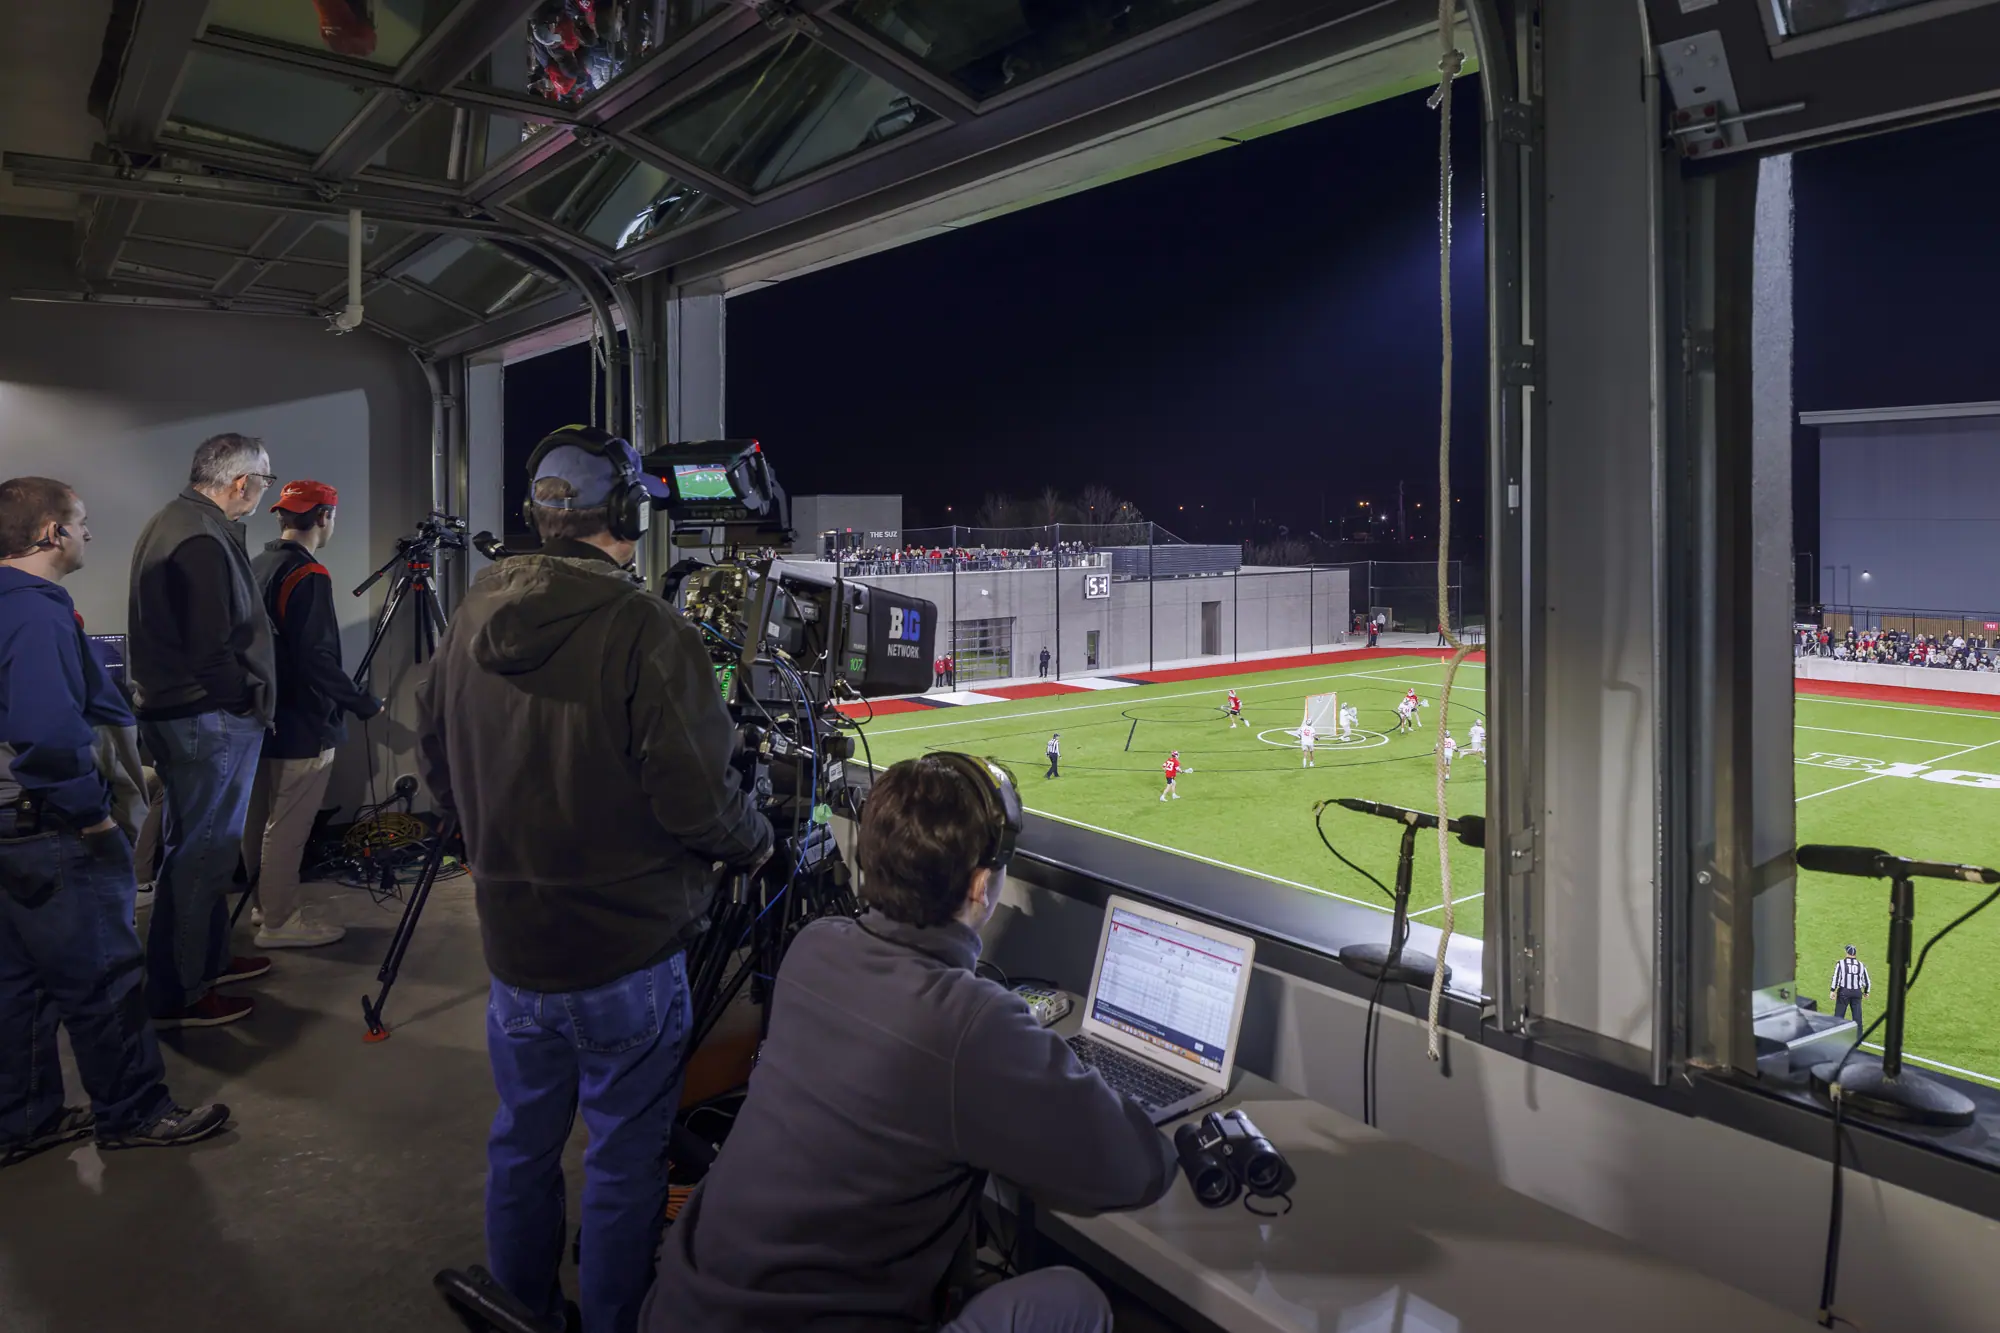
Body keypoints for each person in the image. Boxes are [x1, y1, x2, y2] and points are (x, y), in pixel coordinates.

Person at [418, 426, 773, 1333]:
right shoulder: (644, 628)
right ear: (624, 513)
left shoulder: (470, 612)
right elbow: (700, 801)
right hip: (627, 953)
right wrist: (756, 839)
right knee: (624, 1161)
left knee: (522, 1143)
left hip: (511, 947)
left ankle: (525, 1308)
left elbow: (435, 758)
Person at [642, 754, 1176, 1333]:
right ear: (980, 885)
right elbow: (1136, 1170)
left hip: (679, 1309)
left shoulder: (814, 947)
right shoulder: (970, 1025)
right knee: (1074, 1298)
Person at [0, 476, 230, 1163]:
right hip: (51, 826)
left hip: (9, 825)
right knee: (103, 976)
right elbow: (45, 727)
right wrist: (90, 816)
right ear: (50, 534)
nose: (88, 533)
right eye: (80, 522)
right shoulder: (38, 610)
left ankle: (23, 1118)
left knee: (17, 982)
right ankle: (132, 1111)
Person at [128, 433, 277, 1029]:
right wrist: (240, 700)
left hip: (186, 715)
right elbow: (210, 643)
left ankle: (206, 961)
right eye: (263, 482)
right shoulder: (198, 535)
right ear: (240, 482)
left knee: (194, 848)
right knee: (203, 855)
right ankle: (183, 993)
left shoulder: (178, 521)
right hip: (206, 719)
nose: (263, 494)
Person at [240, 481, 383, 949]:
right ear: (325, 517)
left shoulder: (256, 565)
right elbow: (316, 659)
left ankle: (265, 908)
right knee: (287, 827)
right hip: (303, 724)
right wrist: (362, 702)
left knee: (258, 820)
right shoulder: (308, 575)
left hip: (261, 718)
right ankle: (281, 922)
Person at [1830, 945, 1870, 1029]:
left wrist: (1833, 990)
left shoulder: (1841, 963)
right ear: (1855, 954)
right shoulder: (1861, 965)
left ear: (1846, 953)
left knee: (1839, 1016)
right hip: (1857, 992)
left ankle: (1836, 1033)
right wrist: (1866, 992)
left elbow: (1836, 977)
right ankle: (1858, 1036)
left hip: (1844, 992)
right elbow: (1866, 981)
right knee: (1857, 1017)